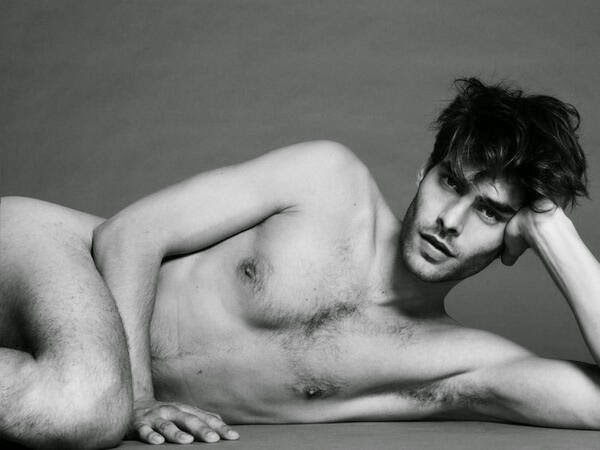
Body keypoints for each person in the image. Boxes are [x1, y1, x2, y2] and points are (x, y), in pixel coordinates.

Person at [2, 78, 599, 448]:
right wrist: (134, 400)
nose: (451, 220)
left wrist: (554, 233)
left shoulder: (456, 364)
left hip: (47, 369)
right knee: (91, 407)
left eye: (490, 213)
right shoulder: (327, 181)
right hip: (48, 250)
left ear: (513, 241)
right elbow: (129, 234)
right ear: (424, 172)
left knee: (84, 401)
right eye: (450, 183)